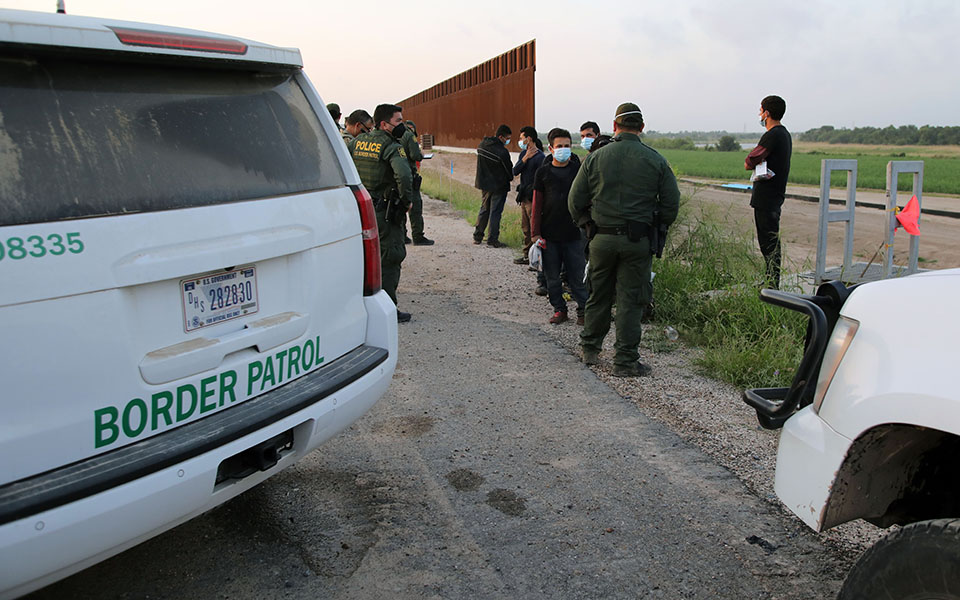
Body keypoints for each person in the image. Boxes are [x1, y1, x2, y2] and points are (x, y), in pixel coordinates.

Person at [568, 103, 680, 377]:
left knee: (598, 295)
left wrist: (587, 224)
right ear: (641, 128)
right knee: (631, 300)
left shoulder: (595, 158)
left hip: (601, 239)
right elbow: (670, 205)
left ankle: (590, 351)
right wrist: (655, 225)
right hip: (637, 242)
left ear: (614, 127)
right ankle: (625, 362)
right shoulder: (655, 160)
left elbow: (574, 201)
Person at [350, 103, 414, 322]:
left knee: (362, 257)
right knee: (390, 257)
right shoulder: (392, 146)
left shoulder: (357, 142)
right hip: (384, 212)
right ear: (384, 124)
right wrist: (407, 201)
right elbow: (404, 177)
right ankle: (387, 309)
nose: (402, 125)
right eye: (398, 121)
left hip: (360, 211)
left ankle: (359, 305)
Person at [532, 128, 588, 325]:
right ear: (551, 148)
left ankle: (583, 311)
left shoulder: (579, 171)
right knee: (552, 278)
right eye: (559, 146)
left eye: (567, 146)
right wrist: (535, 233)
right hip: (549, 235)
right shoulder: (543, 172)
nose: (563, 150)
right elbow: (537, 204)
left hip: (574, 234)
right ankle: (559, 309)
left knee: (578, 276)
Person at [744, 95, 792, 289]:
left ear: (767, 113)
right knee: (770, 240)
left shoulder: (773, 135)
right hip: (775, 195)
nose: (760, 114)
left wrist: (750, 162)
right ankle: (772, 279)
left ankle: (772, 284)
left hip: (767, 197)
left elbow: (750, 160)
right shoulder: (785, 134)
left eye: (761, 110)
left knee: (769, 242)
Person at [473, 124, 514, 247]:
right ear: (501, 136)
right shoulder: (502, 152)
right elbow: (509, 171)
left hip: (484, 184)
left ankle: (478, 236)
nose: (507, 141)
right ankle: (492, 239)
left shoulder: (482, 145)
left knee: (484, 209)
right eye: (507, 138)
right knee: (495, 212)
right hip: (499, 186)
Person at [512, 126, 545, 264]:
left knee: (534, 228)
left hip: (533, 197)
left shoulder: (540, 157)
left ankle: (536, 258)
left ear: (529, 138)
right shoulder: (523, 154)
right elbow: (515, 171)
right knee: (525, 227)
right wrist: (525, 158)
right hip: (524, 196)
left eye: (521, 138)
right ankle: (527, 255)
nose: (520, 141)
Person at [400, 119, 434, 246]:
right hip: (409, 175)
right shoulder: (409, 136)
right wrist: (420, 154)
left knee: (401, 205)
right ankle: (418, 236)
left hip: (397, 176)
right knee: (416, 207)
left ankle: (403, 235)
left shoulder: (394, 135)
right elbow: (415, 155)